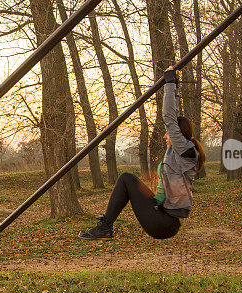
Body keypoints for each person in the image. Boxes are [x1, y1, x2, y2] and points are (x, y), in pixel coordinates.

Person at [79, 65, 206, 240]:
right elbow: (174, 116)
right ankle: (105, 227)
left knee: (126, 178)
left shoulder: (185, 150)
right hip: (162, 216)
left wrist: (169, 81)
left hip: (163, 222)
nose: (164, 136)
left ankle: (105, 227)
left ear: (178, 134)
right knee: (127, 181)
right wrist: (174, 85)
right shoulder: (181, 151)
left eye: (168, 133)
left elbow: (169, 119)